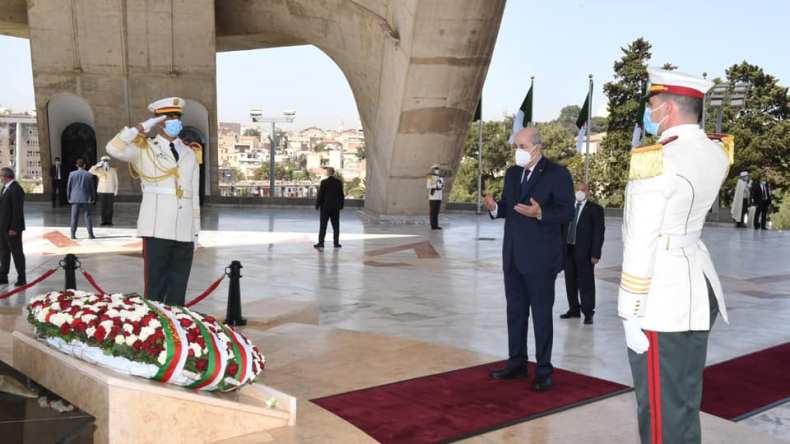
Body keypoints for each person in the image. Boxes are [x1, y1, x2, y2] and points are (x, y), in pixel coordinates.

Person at [619, 67, 730, 444]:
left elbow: (641, 239)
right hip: (696, 288)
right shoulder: (715, 152)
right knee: (682, 402)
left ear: (668, 109)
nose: (649, 114)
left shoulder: (658, 158)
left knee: (660, 412)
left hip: (662, 299)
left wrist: (630, 310)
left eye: (652, 105)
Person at [483, 127, 574, 392]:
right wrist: (495, 208)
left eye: (521, 147)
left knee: (542, 315)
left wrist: (540, 212)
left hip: (541, 258)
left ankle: (543, 369)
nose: (517, 152)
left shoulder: (558, 174)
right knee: (516, 312)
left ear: (537, 147)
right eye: (515, 147)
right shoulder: (512, 174)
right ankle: (516, 362)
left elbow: (566, 211)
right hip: (513, 255)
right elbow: (509, 207)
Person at [106, 97, 200, 306]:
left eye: (177, 117)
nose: (174, 121)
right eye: (168, 117)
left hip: (184, 229)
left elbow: (193, 197)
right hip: (157, 228)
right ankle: (157, 330)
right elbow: (113, 148)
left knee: (179, 288)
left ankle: (176, 330)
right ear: (158, 122)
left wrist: (195, 232)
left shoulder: (190, 153)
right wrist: (138, 129)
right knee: (156, 288)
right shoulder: (143, 149)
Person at [560, 182, 605, 324]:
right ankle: (574, 309)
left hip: (585, 253)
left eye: (583, 189)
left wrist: (596, 253)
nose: (580, 191)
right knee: (570, 282)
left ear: (588, 192)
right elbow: (561, 229)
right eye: (578, 189)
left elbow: (598, 233)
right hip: (568, 250)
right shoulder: (567, 208)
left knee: (586, 283)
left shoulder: (595, 209)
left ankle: (588, 312)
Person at [0, 168, 25, 286]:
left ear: (6, 176)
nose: (0, 178)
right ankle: (3, 275)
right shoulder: (5, 188)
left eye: (1, 176)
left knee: (17, 252)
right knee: (4, 252)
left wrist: (14, 228)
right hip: (3, 228)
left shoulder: (16, 189)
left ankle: (22, 277)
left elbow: (17, 211)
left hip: (12, 229)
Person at [314, 167, 345, 250]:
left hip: (325, 207)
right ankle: (336, 243)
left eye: (327, 171)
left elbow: (320, 195)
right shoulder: (338, 182)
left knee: (323, 225)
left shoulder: (324, 182)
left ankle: (321, 243)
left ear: (328, 173)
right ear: (333, 173)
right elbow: (341, 195)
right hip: (335, 207)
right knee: (336, 226)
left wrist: (317, 205)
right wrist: (341, 205)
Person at [67, 158, 96, 240]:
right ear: (84, 165)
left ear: (77, 165)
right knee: (88, 216)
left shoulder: (71, 174)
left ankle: (73, 234)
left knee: (74, 217)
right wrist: (93, 198)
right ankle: (90, 234)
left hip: (75, 198)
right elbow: (92, 188)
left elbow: (68, 187)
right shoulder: (89, 175)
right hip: (86, 198)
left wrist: (69, 197)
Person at [89, 155, 119, 226]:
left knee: (110, 207)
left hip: (110, 190)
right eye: (104, 161)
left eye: (106, 161)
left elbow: (116, 181)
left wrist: (116, 190)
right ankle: (103, 221)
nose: (105, 162)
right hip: (101, 190)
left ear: (109, 162)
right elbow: (90, 171)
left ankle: (109, 221)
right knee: (102, 207)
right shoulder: (99, 170)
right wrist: (98, 165)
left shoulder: (113, 170)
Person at [427, 165, 444, 230]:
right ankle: (433, 226)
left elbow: (442, 185)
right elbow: (428, 186)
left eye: (438, 169)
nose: (437, 170)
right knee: (433, 212)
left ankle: (436, 225)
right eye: (435, 169)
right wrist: (436, 186)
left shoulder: (441, 177)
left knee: (437, 212)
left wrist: (440, 186)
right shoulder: (430, 177)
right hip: (433, 196)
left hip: (439, 196)